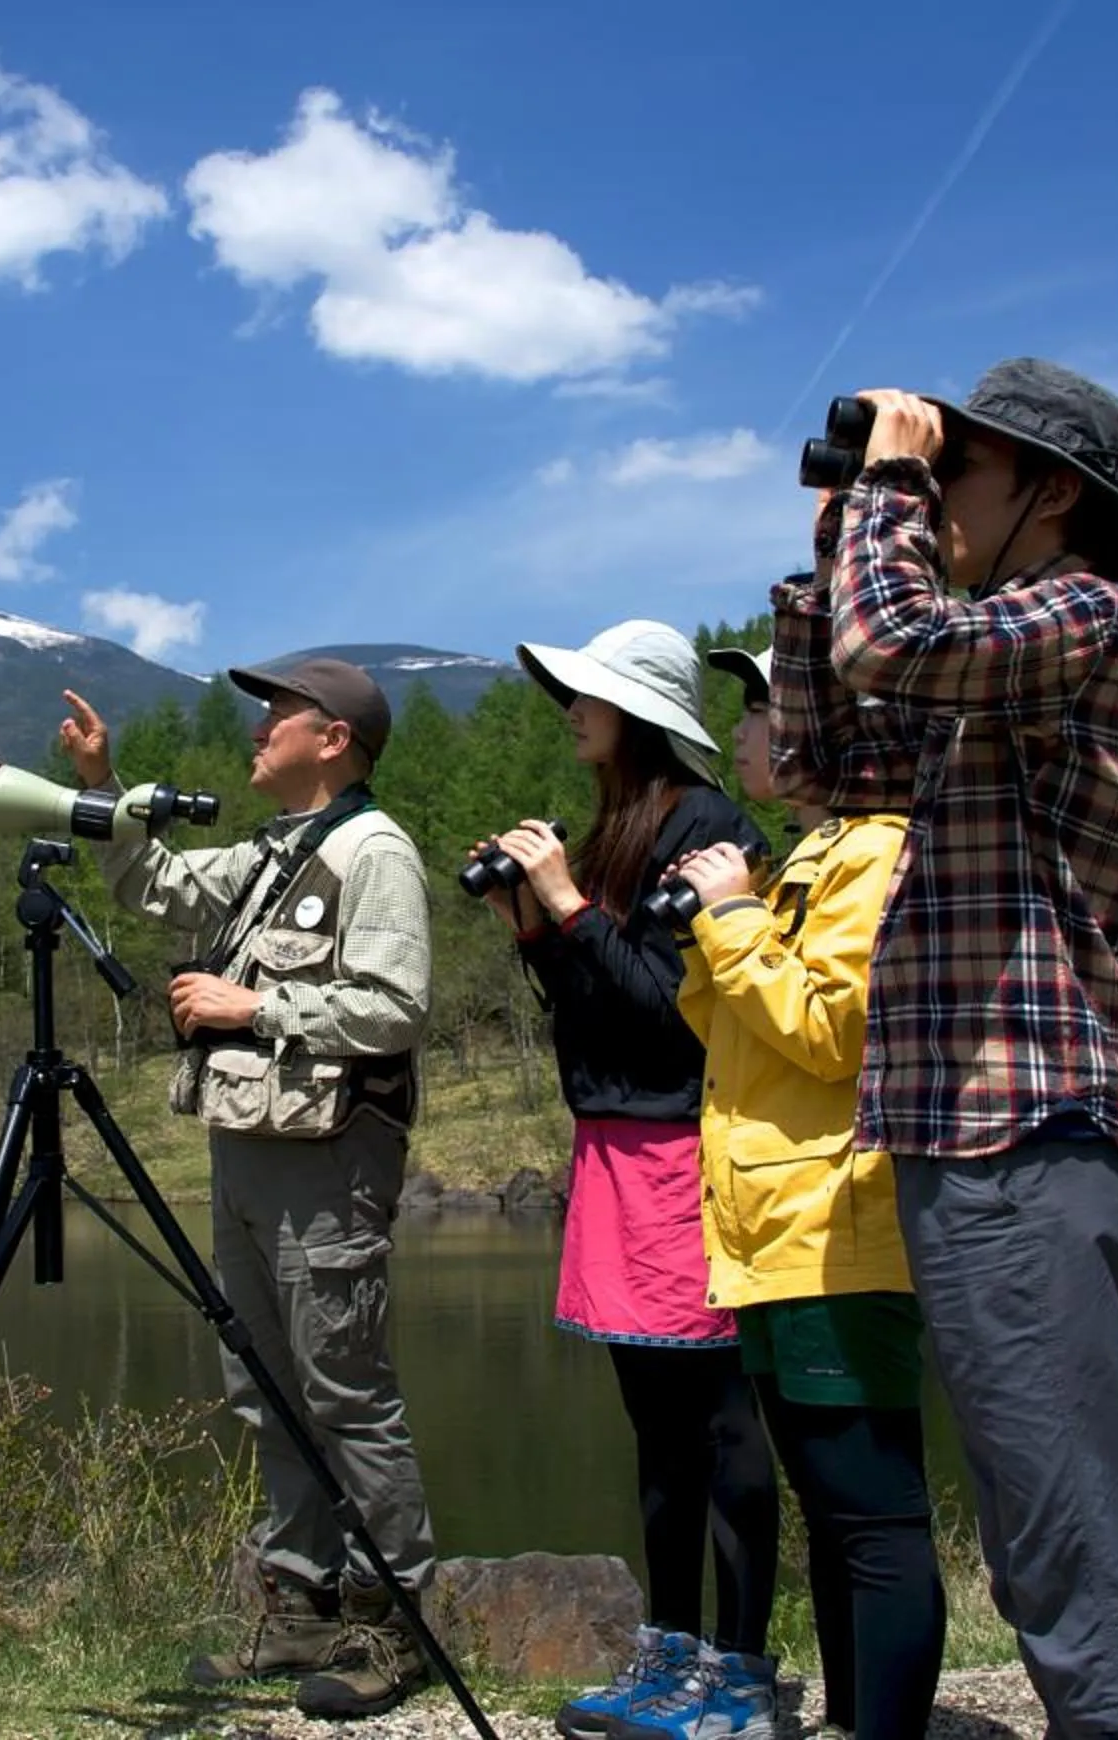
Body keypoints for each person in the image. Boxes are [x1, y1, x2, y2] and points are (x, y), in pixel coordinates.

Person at [800, 357, 1118, 1737]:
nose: (934, 493)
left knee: (1078, 1548)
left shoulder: (1093, 621)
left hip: (1033, 1130)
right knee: (1050, 1534)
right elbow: (829, 757)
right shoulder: (997, 666)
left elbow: (889, 648)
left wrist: (891, 495)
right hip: (978, 1137)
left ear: (1050, 490)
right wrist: (843, 534)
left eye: (960, 469)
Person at [54, 659, 436, 1722]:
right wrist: (104, 786)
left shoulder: (374, 851)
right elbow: (155, 885)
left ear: (335, 739)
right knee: (263, 1385)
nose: (258, 732)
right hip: (247, 1147)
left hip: (329, 1156)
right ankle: (299, 1605)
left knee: (344, 1389)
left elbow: (396, 1006)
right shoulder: (275, 852)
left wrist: (253, 1006)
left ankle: (390, 1621)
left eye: (278, 718)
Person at [476, 620, 786, 1740]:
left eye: (587, 695)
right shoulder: (623, 828)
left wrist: (565, 903)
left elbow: (669, 1014)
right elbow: (596, 1004)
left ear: (640, 714)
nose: (570, 709)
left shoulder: (707, 828)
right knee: (653, 1426)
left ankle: (743, 1675)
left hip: (679, 1150)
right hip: (613, 1147)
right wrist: (534, 926)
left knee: (715, 1422)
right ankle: (670, 1656)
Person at [663, 644, 946, 1740]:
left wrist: (732, 919)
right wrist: (714, 925)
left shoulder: (877, 852)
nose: (740, 732)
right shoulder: (807, 856)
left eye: (761, 708)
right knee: (831, 1515)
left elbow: (832, 1032)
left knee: (871, 1516)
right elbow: (737, 1030)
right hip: (774, 1228)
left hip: (840, 1225)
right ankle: (850, 1717)